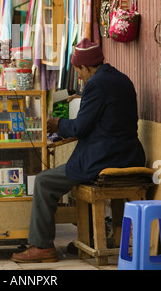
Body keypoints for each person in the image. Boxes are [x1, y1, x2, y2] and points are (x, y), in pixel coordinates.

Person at [11, 38, 145, 263]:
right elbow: (108, 112)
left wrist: (57, 123)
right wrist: (83, 100)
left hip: (106, 156)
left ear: (85, 66)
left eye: (78, 71)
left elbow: (80, 127)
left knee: (44, 181)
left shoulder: (96, 84)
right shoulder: (119, 78)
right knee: (65, 174)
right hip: (129, 152)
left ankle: (43, 247)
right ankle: (90, 238)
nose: (79, 77)